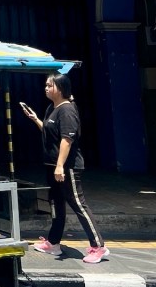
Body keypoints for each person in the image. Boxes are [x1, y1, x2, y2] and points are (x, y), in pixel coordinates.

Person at [21, 74, 109, 264]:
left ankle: (98, 246)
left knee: (78, 203)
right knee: (56, 203)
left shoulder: (67, 110)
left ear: (60, 88)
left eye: (49, 85)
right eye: (45, 85)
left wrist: (60, 165)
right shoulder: (52, 108)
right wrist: (35, 119)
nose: (46, 88)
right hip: (52, 165)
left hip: (66, 167)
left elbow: (66, 140)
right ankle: (53, 242)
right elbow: (49, 132)